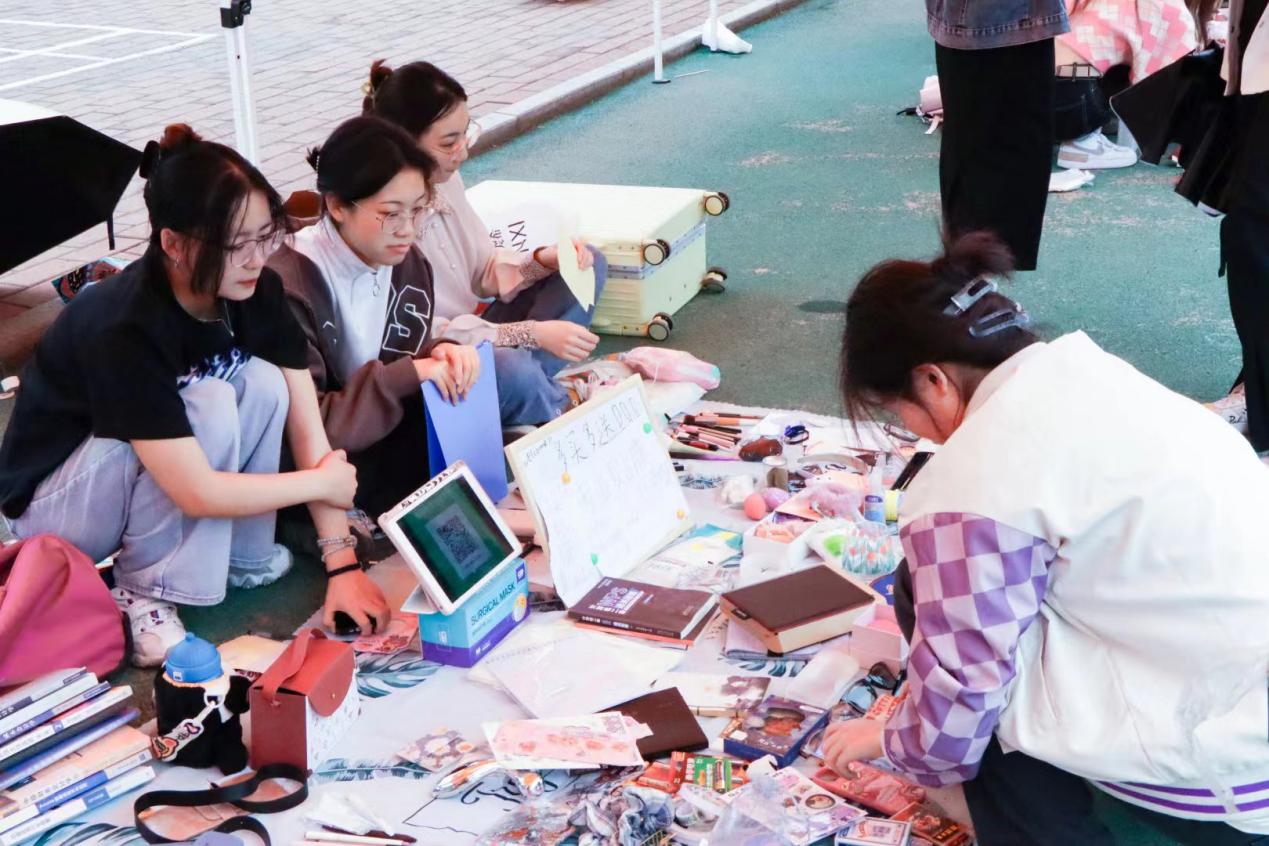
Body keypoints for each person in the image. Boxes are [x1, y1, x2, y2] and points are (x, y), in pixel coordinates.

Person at [821, 232, 1269, 843]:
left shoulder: (974, 479)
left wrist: (894, 740)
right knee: (932, 586)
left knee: (961, 665)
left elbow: (960, 702)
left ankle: (1051, 829)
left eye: (900, 410)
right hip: (1237, 695)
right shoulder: (1094, 374)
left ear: (933, 380)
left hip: (1223, 768)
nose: (915, 431)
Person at [0, 125, 391, 666]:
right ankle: (143, 593)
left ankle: (244, 557)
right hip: (53, 511)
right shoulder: (125, 327)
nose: (256, 258)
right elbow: (196, 491)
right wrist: (321, 483)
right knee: (206, 400)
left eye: (265, 235)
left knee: (262, 381)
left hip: (138, 474)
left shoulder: (256, 290)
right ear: (174, 245)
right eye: (235, 245)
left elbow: (308, 426)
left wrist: (340, 563)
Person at [363, 60, 610, 426]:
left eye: (465, 135)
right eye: (449, 143)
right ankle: (547, 400)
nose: (463, 152)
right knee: (506, 367)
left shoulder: (444, 180)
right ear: (404, 142)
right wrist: (531, 334)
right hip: (431, 359)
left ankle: (528, 393)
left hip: (472, 337)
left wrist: (545, 259)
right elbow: (419, 337)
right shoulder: (383, 216)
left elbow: (484, 272)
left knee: (587, 262)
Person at [268, 116, 481, 519]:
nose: (408, 230)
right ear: (336, 205)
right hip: (315, 474)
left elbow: (408, 357)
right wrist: (412, 372)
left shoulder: (405, 263)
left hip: (382, 449)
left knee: (480, 376)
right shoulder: (287, 287)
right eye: (390, 213)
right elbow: (308, 431)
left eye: (417, 210)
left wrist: (442, 352)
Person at [930, 0, 1068, 271]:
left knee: (980, 147)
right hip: (997, 20)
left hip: (991, 21)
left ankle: (973, 275)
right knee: (1000, 149)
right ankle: (975, 277)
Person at [1053, 0, 1203, 170]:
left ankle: (1087, 127)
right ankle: (1082, 142)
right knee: (1156, 67)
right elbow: (1155, 76)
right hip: (1073, 102)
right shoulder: (1164, 5)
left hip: (1035, 93)